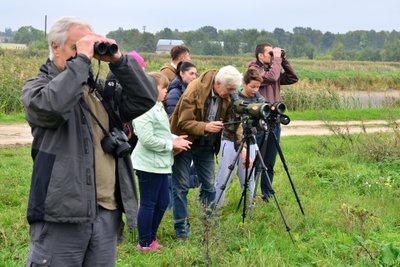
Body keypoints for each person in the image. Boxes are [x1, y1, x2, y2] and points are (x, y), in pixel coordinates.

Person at [21, 16, 157, 266]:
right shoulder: (38, 88)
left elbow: (145, 98)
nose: (82, 54)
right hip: (62, 215)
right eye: (75, 47)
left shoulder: (100, 92)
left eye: (87, 48)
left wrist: (119, 62)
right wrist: (82, 61)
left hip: (106, 212)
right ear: (54, 46)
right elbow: (51, 108)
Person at [169, 65, 244, 240]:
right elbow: (183, 121)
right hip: (185, 140)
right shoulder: (195, 89)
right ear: (218, 83)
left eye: (234, 91)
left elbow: (235, 121)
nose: (231, 94)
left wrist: (243, 146)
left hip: (206, 144)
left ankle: (209, 225)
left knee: (209, 186)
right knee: (180, 186)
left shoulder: (228, 91)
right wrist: (206, 126)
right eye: (229, 90)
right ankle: (182, 231)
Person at [131, 72, 191, 252]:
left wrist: (175, 138)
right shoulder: (143, 110)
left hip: (161, 164)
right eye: (163, 88)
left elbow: (161, 134)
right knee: (149, 203)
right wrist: (171, 143)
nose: (166, 91)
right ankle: (145, 243)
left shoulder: (157, 106)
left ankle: (151, 238)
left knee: (163, 201)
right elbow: (147, 139)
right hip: (148, 165)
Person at [248, 43, 298, 201]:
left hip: (274, 121)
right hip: (261, 122)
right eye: (270, 53)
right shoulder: (254, 69)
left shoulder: (273, 68)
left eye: (273, 53)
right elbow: (271, 77)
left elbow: (292, 78)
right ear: (260, 56)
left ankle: (267, 195)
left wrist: (283, 60)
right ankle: (251, 196)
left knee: (270, 161)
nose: (273, 56)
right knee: (257, 161)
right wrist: (277, 60)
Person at [214, 69, 264, 206]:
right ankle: (215, 209)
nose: (255, 90)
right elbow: (236, 123)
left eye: (258, 87)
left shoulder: (259, 99)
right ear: (244, 83)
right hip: (230, 140)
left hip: (251, 140)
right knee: (223, 178)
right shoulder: (235, 99)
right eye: (252, 86)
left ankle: (249, 209)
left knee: (248, 178)